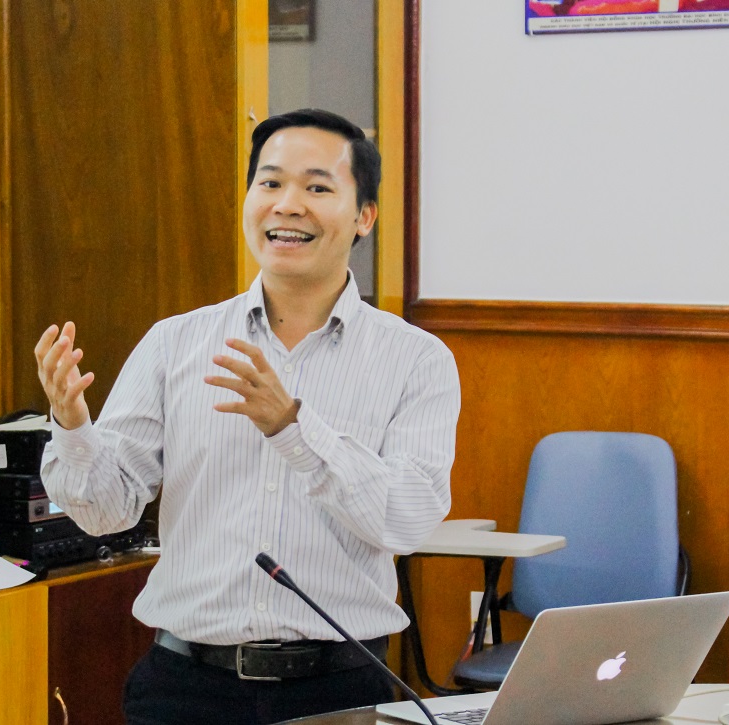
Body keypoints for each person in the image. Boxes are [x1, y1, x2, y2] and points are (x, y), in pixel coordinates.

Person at [35, 108, 460, 724]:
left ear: (364, 216)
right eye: (271, 182)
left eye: (317, 187)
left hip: (338, 690)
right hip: (185, 688)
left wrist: (294, 429)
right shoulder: (175, 343)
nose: (288, 205)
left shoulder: (416, 360)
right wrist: (73, 425)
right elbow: (106, 513)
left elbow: (408, 519)